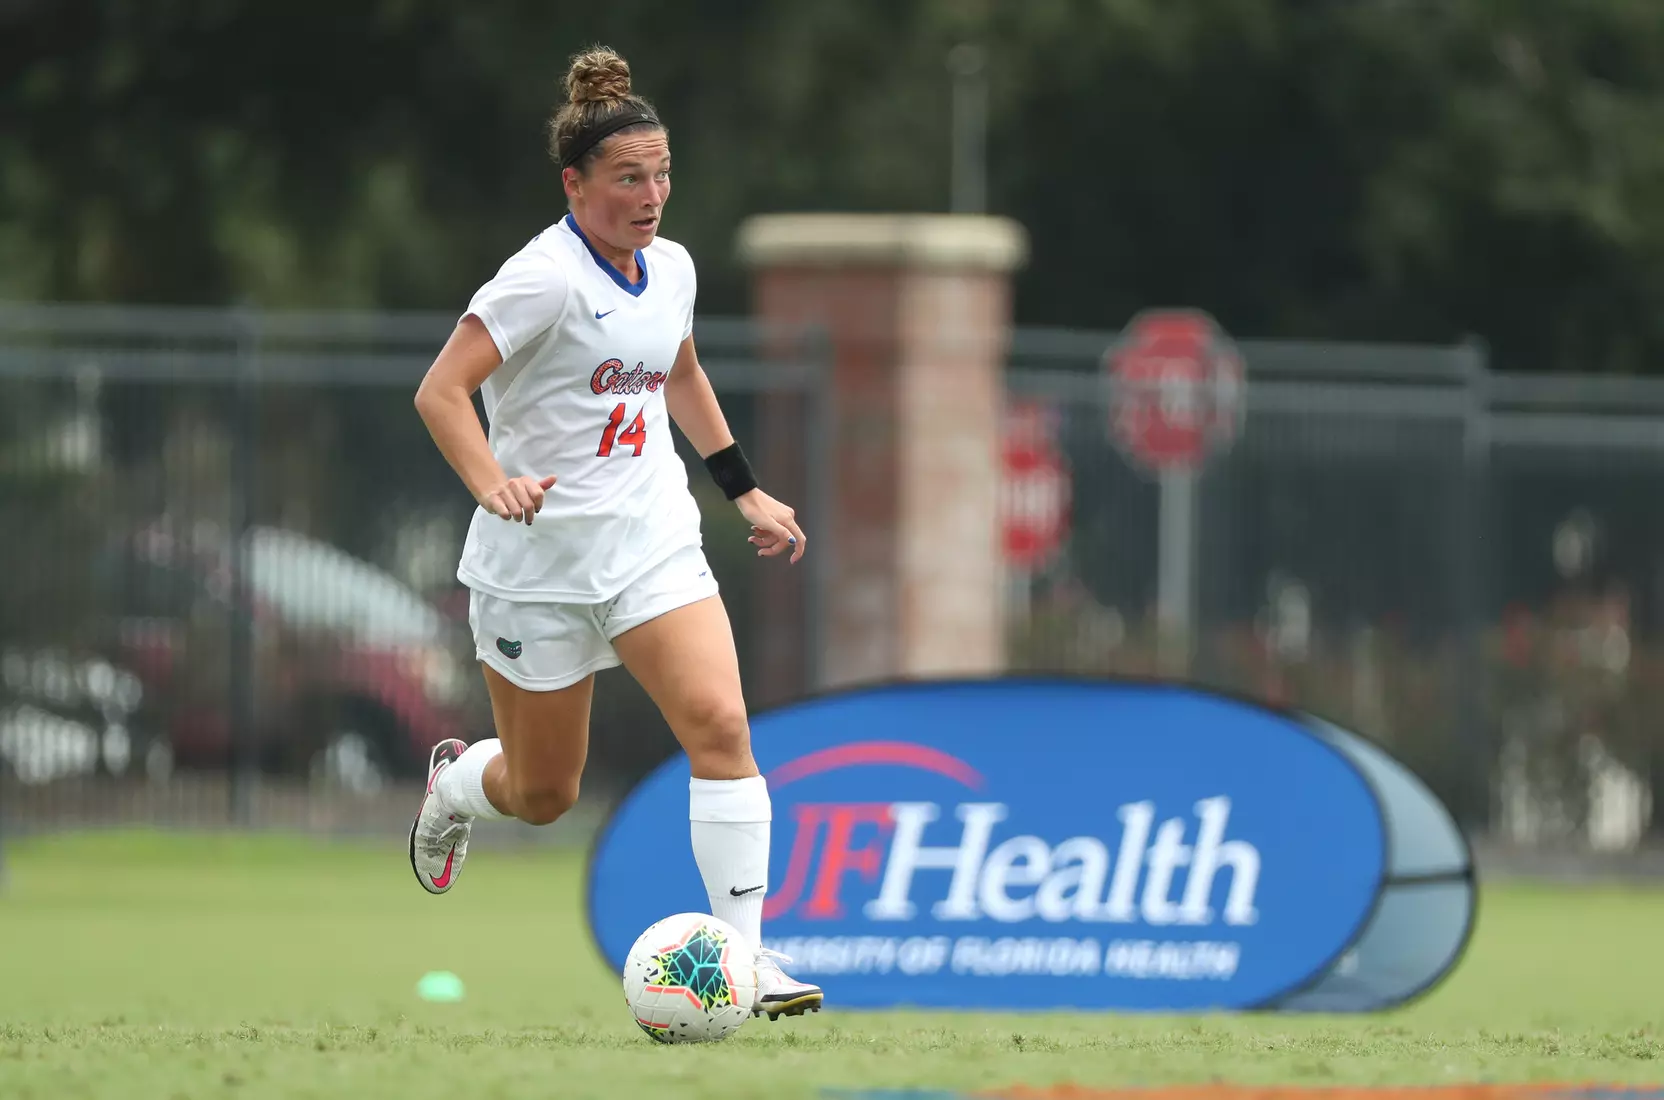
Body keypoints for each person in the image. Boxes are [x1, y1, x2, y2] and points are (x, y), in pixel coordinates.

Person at [408, 44, 822, 1019]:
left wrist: (743, 491)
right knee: (544, 791)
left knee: (721, 726)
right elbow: (441, 389)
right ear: (574, 181)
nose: (651, 195)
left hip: (648, 543)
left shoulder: (669, 267)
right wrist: (491, 481)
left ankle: (748, 958)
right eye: (628, 177)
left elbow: (677, 372)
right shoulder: (540, 278)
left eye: (661, 174)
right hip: (535, 568)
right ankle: (457, 785)